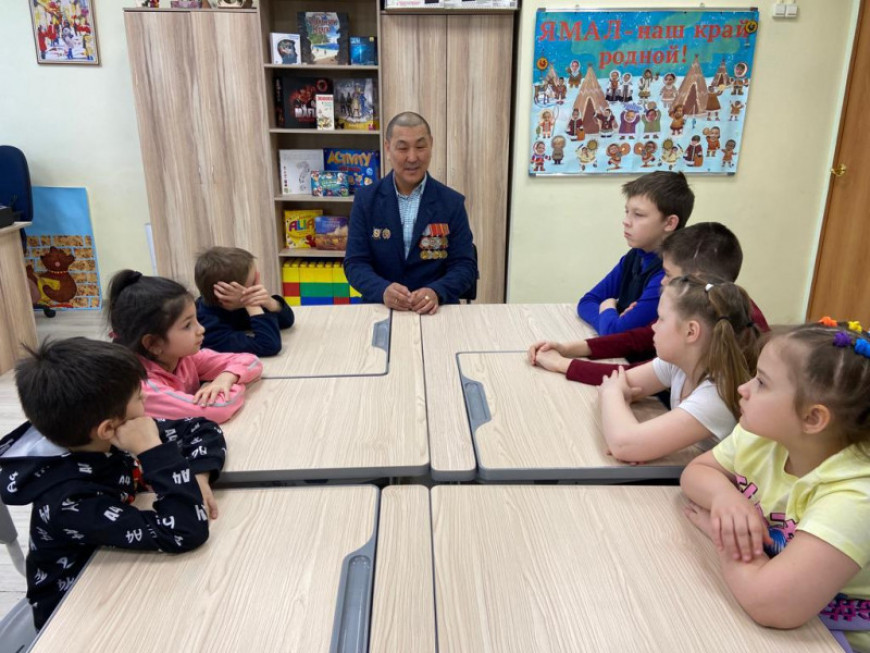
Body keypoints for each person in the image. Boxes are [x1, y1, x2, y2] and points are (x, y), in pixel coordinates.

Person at [0, 338, 226, 630]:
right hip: (77, 618)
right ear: (107, 428)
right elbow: (185, 530)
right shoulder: (69, 502)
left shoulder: (98, 435)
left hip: (118, 574)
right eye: (140, 398)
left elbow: (201, 427)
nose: (147, 404)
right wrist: (152, 451)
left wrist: (198, 475)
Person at [681, 321, 870, 652]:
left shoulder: (855, 497)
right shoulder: (762, 436)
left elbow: (769, 604)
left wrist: (720, 532)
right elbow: (697, 472)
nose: (744, 388)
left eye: (762, 382)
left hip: (830, 636)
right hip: (771, 596)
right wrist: (725, 497)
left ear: (812, 419)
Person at [530, 222, 769, 384]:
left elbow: (639, 375)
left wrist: (562, 364)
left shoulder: (724, 325)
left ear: (696, 279)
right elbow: (639, 338)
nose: (662, 281)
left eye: (668, 274)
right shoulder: (705, 305)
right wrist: (568, 349)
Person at [575, 275, 760, 464]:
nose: (654, 327)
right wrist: (626, 433)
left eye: (661, 319)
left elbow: (623, 444)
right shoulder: (679, 363)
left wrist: (611, 394)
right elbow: (624, 382)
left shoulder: (716, 396)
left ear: (691, 332)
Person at [343, 111, 477, 313]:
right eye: (403, 148)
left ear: (431, 145)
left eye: (420, 147)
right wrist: (382, 290)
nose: (412, 157)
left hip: (435, 311)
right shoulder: (366, 200)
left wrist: (437, 291)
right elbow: (355, 263)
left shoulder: (452, 203)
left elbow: (465, 266)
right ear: (388, 148)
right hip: (381, 308)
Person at [108, 270, 262, 423]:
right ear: (153, 343)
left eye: (196, 319)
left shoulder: (183, 357)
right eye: (187, 325)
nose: (201, 329)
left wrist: (226, 378)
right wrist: (235, 384)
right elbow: (220, 408)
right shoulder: (142, 388)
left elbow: (251, 361)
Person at [576, 171, 695, 335]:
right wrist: (611, 321)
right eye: (627, 212)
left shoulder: (669, 274)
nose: (626, 221)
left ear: (669, 223)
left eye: (638, 215)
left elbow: (616, 333)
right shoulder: (636, 255)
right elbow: (587, 301)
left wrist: (608, 307)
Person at [194, 246, 295, 356]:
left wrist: (271, 303)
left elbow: (287, 321)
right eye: (253, 283)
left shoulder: (237, 305)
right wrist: (250, 303)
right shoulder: (208, 329)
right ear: (227, 293)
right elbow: (269, 345)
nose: (257, 285)